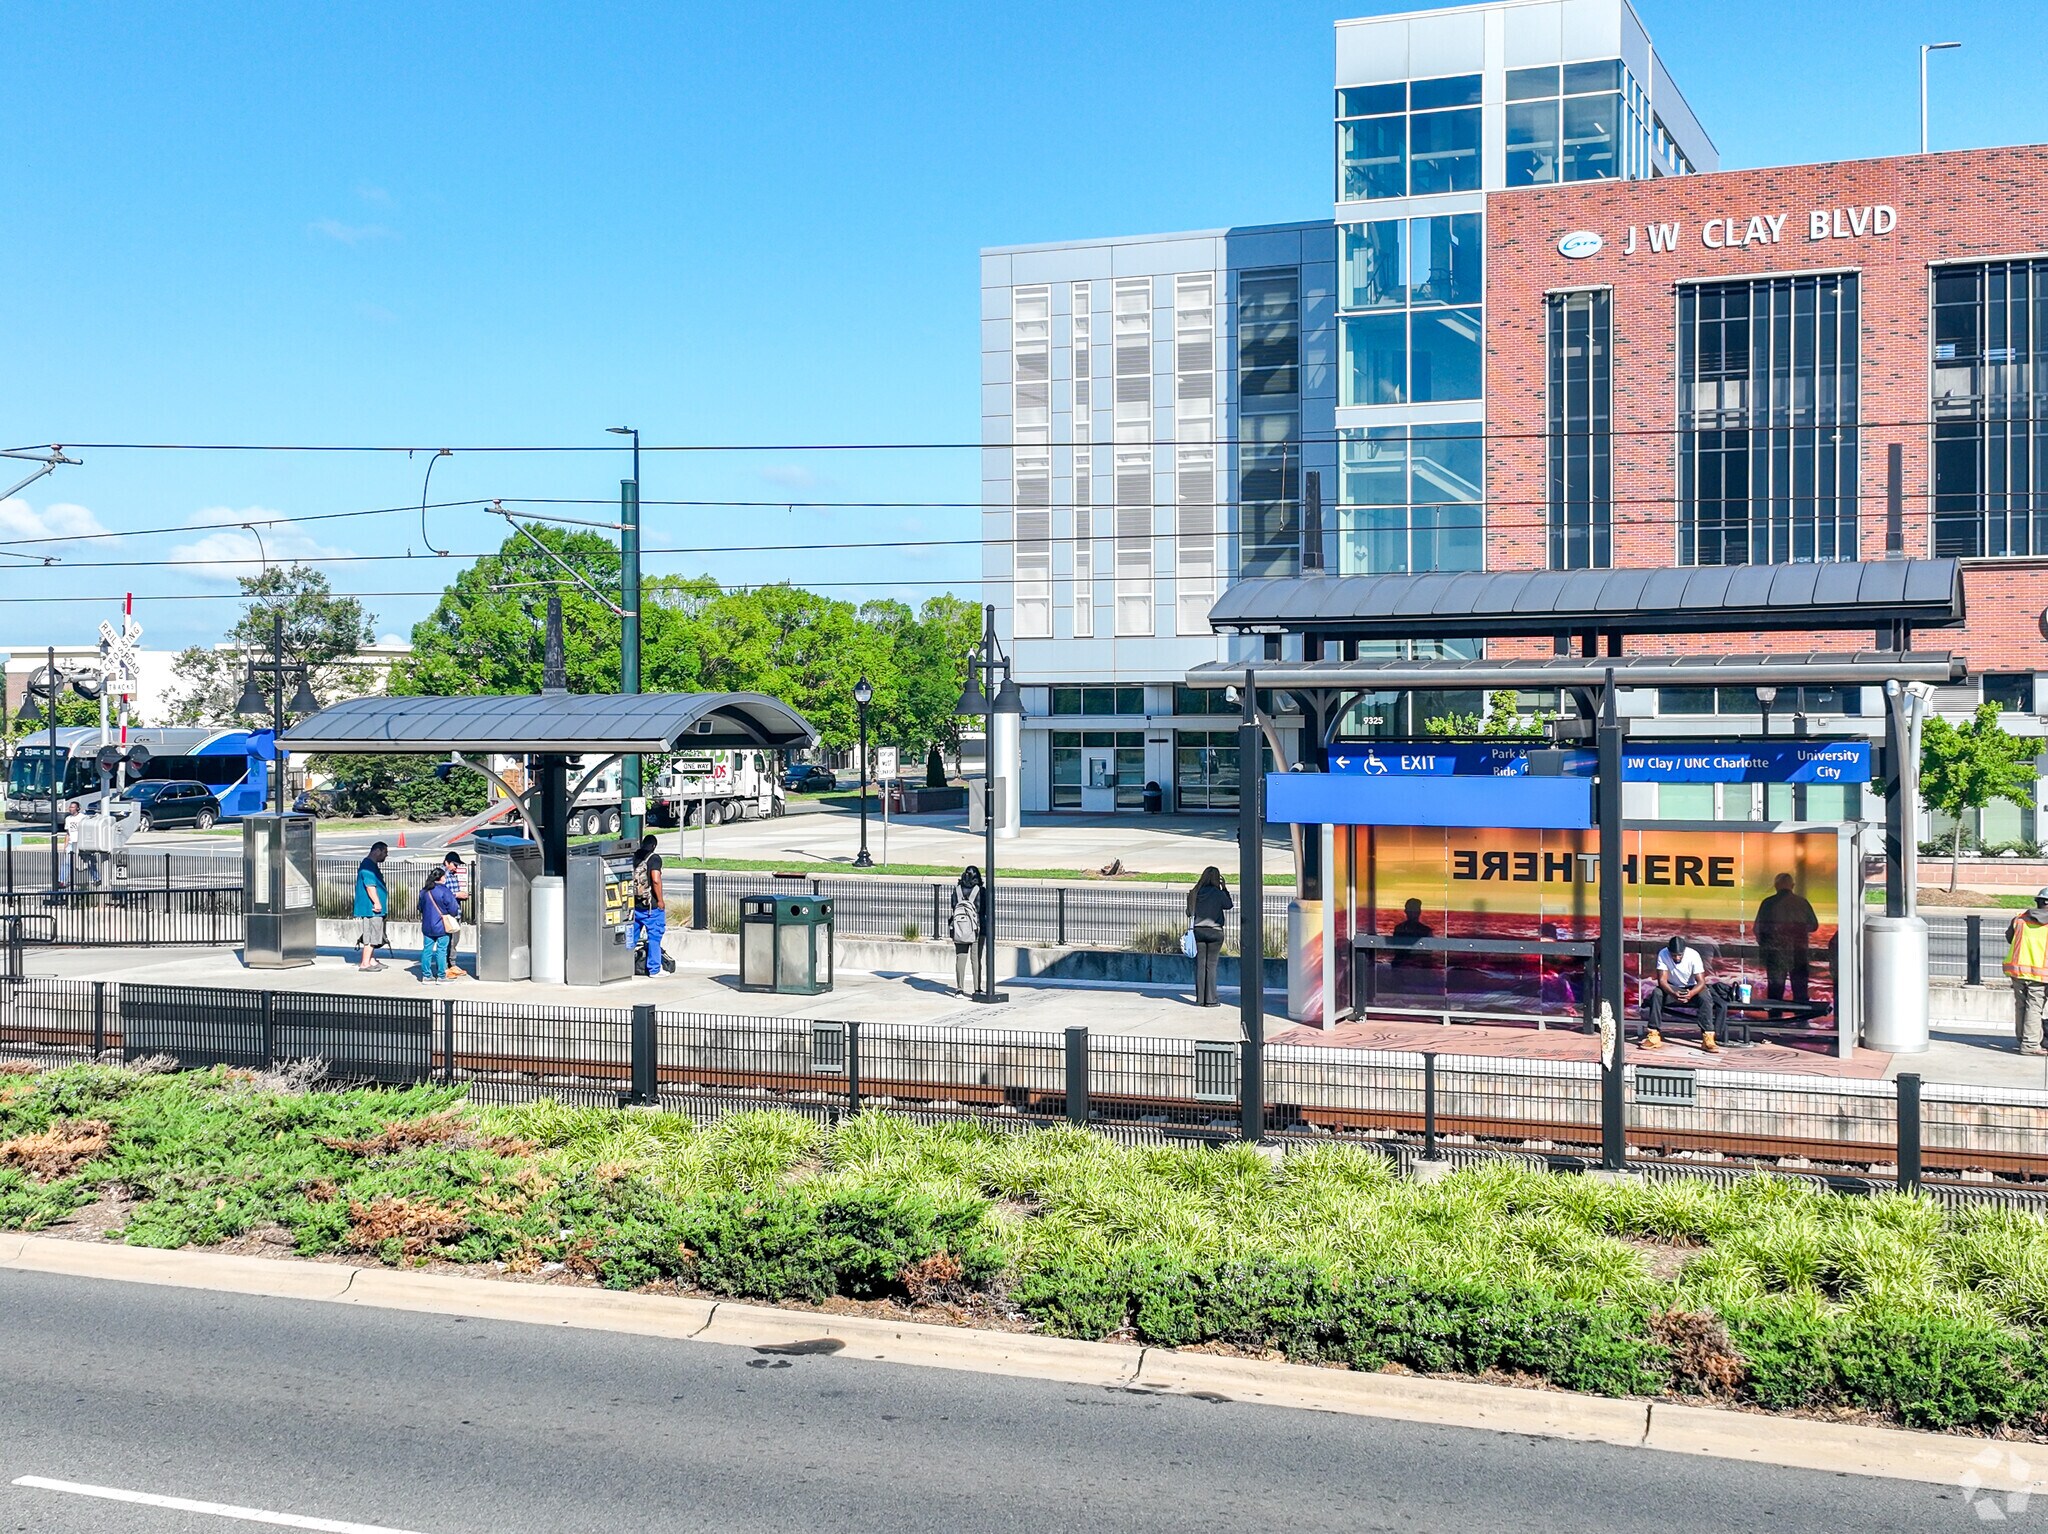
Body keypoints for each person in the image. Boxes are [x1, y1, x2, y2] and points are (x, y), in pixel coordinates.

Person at [1643, 932, 1722, 1053]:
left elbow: (1701, 982)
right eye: (1674, 955)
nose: (1677, 958)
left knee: (1705, 996)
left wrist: (1691, 993)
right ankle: (1654, 1034)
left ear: (1684, 951)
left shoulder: (1693, 955)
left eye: (1679, 955)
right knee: (1657, 993)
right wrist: (1673, 994)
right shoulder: (1663, 954)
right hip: (1672, 988)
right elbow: (1662, 981)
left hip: (1691, 987)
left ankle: (1708, 1037)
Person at [1753, 872, 1819, 1005]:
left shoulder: (1768, 903)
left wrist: (1766, 946)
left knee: (1775, 993)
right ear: (1792, 886)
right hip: (1798, 952)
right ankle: (1802, 1021)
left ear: (1776, 886)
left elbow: (1758, 928)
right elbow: (1813, 925)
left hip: (1775, 953)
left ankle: (1774, 1020)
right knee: (1800, 992)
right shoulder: (1802, 903)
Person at [2003, 888, 2048, 1058]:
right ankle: (2030, 1045)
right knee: (2034, 1008)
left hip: (2017, 971)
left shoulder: (2019, 919)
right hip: (2040, 974)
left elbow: (2010, 938)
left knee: (2021, 1006)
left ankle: (2023, 1038)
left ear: (2038, 902)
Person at [1185, 865, 1233, 1008]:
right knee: (1211, 966)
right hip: (1215, 931)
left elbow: (1189, 912)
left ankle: (1200, 999)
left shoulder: (1195, 892)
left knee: (1200, 965)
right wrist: (1225, 888)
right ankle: (1211, 999)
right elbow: (1228, 905)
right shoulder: (1218, 893)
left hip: (1198, 930)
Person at [630, 835, 666, 979]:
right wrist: (661, 901)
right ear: (653, 846)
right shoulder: (654, 858)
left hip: (635, 905)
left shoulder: (634, 856)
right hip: (651, 907)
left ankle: (624, 966)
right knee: (654, 936)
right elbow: (656, 880)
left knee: (631, 938)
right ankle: (654, 969)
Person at [949, 866, 986, 997]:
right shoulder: (980, 890)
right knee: (975, 959)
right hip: (976, 929)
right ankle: (977, 989)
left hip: (959, 929)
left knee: (960, 957)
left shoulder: (957, 890)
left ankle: (959, 989)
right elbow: (983, 909)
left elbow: (953, 906)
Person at [353, 841, 389, 973]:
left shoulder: (370, 865)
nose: (385, 855)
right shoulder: (368, 867)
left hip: (371, 909)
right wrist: (377, 902)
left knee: (374, 934)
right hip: (372, 909)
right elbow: (370, 886)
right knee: (373, 936)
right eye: (385, 852)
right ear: (377, 851)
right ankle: (365, 963)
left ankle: (370, 959)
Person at [417, 866, 455, 984]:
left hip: (427, 925)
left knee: (427, 950)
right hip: (442, 926)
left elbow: (420, 907)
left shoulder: (424, 891)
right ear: (441, 877)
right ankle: (441, 976)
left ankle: (426, 975)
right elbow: (453, 908)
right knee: (441, 950)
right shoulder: (444, 891)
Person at [440, 852, 470, 978]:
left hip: (455, 913)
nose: (456, 868)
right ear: (447, 862)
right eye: (454, 865)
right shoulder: (441, 875)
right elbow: (439, 894)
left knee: (454, 941)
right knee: (446, 941)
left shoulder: (452, 875)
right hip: (446, 914)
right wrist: (456, 895)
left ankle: (452, 964)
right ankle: (445, 967)